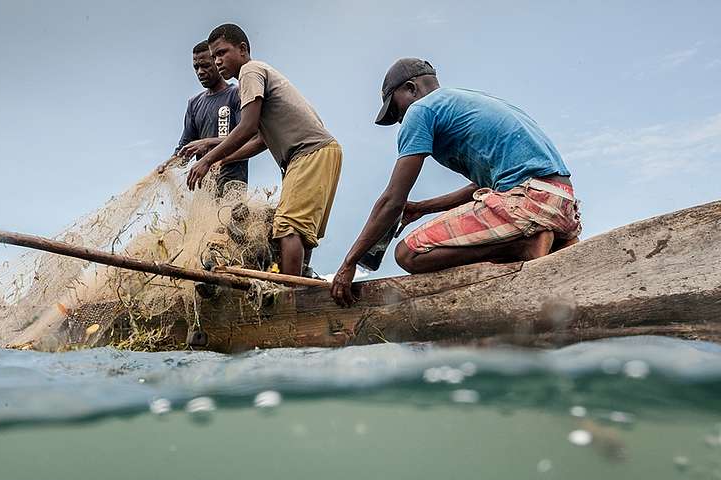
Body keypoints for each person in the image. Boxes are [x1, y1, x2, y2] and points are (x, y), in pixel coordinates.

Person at [330, 58, 581, 306]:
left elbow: (392, 201)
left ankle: (523, 244)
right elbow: (484, 186)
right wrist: (422, 208)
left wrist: (349, 263)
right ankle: (534, 242)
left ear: (411, 89)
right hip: (561, 203)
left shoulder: (421, 110)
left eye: (396, 110)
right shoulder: (466, 100)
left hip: (529, 201)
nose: (398, 120)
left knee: (409, 253)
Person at [187, 23, 342, 276]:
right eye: (214, 56)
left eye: (222, 53)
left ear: (243, 49)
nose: (217, 61)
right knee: (301, 231)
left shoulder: (250, 71)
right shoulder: (260, 73)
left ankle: (289, 294)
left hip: (308, 154)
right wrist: (221, 160)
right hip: (321, 153)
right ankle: (300, 282)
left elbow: (246, 128)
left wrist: (206, 160)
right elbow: (260, 140)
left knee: (288, 228)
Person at [159, 40, 248, 196]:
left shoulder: (236, 94)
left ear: (217, 61)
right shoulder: (194, 104)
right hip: (203, 189)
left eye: (205, 66)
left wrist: (207, 144)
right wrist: (168, 164)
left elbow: (245, 137)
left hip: (232, 188)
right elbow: (185, 147)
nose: (200, 72)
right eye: (196, 67)